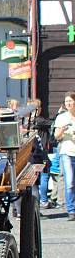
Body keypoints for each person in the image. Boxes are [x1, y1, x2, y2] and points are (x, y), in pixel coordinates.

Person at [53, 91, 75, 220]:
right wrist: (62, 130)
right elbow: (56, 136)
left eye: (71, 100)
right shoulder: (62, 117)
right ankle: (71, 210)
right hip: (67, 152)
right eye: (67, 101)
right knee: (70, 182)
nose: (68, 103)